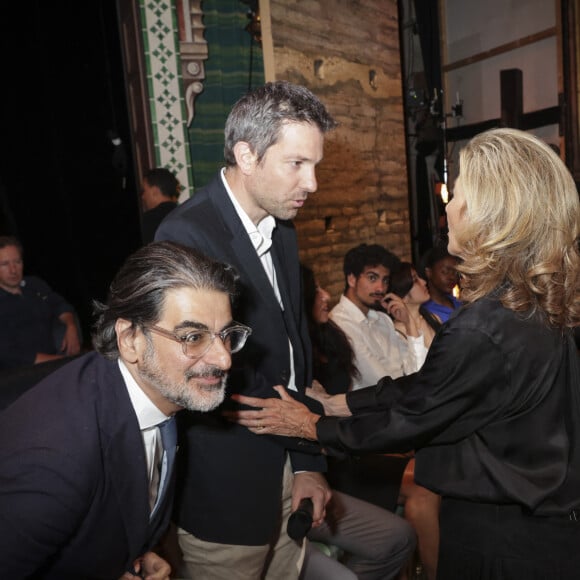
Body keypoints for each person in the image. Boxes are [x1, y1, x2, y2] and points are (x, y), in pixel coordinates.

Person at [231, 128, 580, 579]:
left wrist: (313, 426)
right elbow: (439, 386)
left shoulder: (485, 325)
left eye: (457, 196)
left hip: (505, 542)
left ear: (491, 213)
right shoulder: (525, 301)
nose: (448, 207)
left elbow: (415, 416)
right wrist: (343, 403)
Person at [156, 81, 415, 579]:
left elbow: (295, 352)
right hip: (228, 486)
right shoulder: (186, 233)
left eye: (313, 165)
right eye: (297, 164)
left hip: (286, 463)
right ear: (246, 155)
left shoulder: (283, 230)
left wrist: (307, 463)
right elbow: (191, 375)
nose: (312, 183)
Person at [0, 240, 251, 579]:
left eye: (226, 335)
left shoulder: (158, 388)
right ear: (130, 339)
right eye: (193, 337)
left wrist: (137, 551)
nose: (224, 358)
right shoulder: (57, 458)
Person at [300, 264, 416, 579]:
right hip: (337, 452)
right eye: (317, 291)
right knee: (422, 481)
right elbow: (387, 381)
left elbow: (405, 378)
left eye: (385, 279)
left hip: (345, 438)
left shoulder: (331, 335)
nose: (326, 295)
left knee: (428, 473)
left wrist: (414, 322)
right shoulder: (319, 337)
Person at [329, 243, 428, 390]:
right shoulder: (340, 324)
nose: (380, 288)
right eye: (372, 278)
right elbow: (382, 384)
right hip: (372, 409)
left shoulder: (383, 320)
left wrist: (409, 322)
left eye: (385, 280)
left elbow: (419, 370)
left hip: (404, 401)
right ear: (352, 279)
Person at [0, 235, 81, 370]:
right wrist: (61, 362)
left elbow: (61, 306)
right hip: (20, 375)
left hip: (54, 363)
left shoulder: (34, 285)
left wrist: (71, 327)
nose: (13, 270)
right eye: (5, 264)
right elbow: (10, 355)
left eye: (17, 262)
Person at [388, 262, 441, 349]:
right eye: (415, 280)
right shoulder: (396, 332)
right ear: (403, 295)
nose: (424, 282)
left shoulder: (433, 318)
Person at [419, 242, 462, 323]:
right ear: (429, 272)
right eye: (445, 272)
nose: (452, 277)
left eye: (455, 273)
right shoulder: (426, 311)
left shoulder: (457, 302)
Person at [141, 167, 180, 244]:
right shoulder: (184, 215)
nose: (143, 196)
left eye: (144, 191)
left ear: (155, 191)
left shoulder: (147, 221)